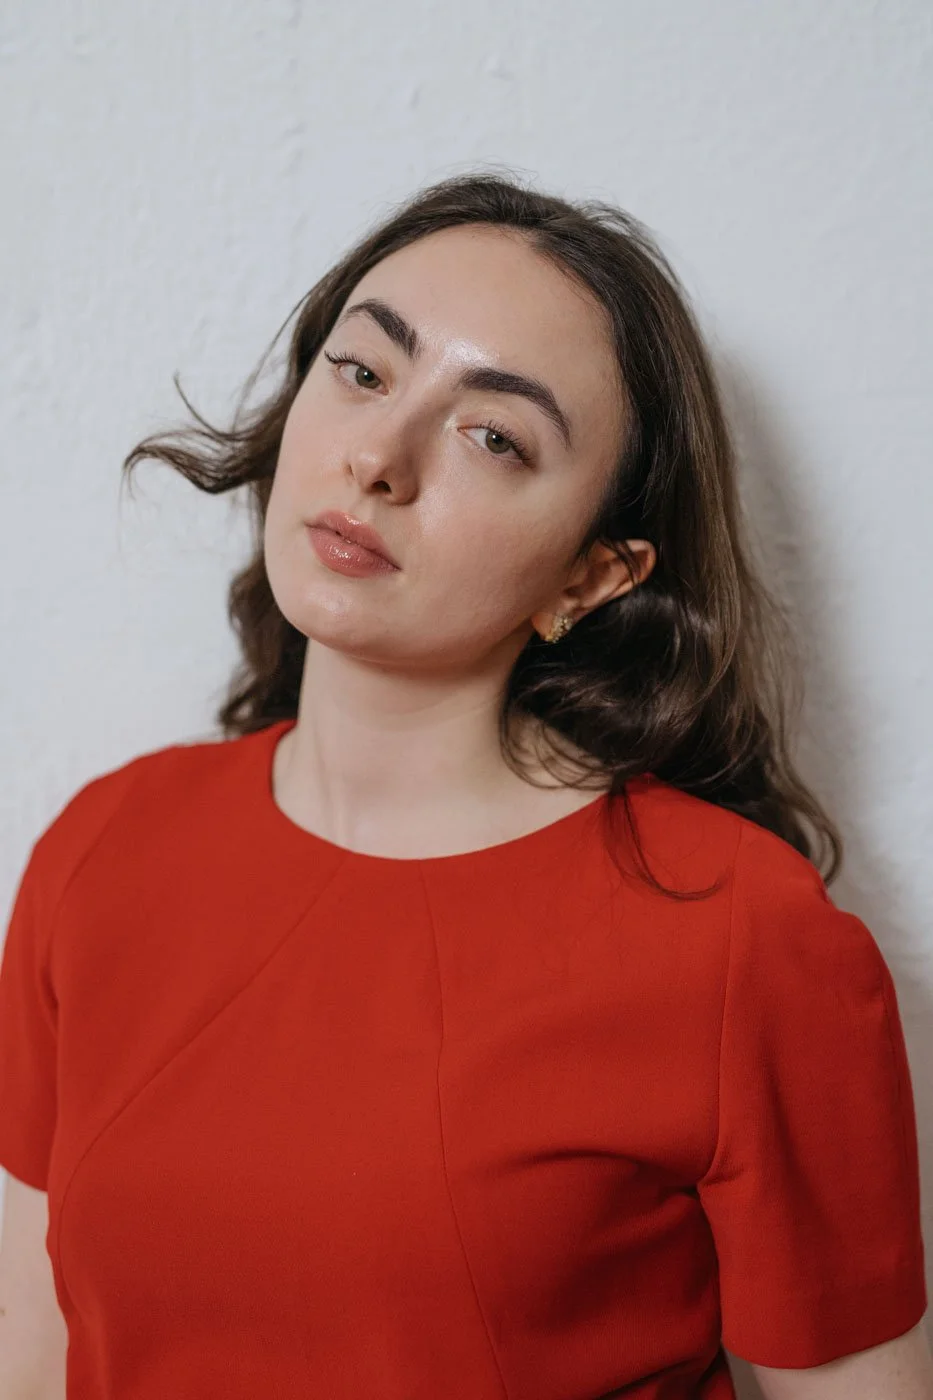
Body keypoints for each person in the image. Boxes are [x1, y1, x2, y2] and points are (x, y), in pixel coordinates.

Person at [0, 170, 930, 1400]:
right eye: (365, 371)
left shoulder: (742, 939)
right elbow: (31, 1349)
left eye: (496, 437)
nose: (378, 457)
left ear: (595, 574)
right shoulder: (107, 845)